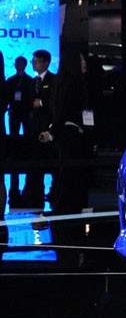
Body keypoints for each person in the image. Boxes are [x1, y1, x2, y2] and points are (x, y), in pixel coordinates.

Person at [39, 47, 90, 217]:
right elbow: (64, 111)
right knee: (70, 174)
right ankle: (66, 210)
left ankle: (63, 209)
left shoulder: (61, 82)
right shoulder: (73, 84)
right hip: (70, 133)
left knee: (65, 173)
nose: (84, 63)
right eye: (81, 60)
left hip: (63, 133)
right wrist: (53, 131)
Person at [23, 49, 56, 208]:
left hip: (47, 125)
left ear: (45, 63)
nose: (33, 64)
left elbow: (54, 101)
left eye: (36, 61)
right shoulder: (31, 81)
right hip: (33, 126)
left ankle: (53, 190)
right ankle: (33, 190)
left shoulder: (53, 80)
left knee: (49, 159)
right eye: (33, 61)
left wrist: (41, 103)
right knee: (34, 159)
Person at [6, 56, 33, 205]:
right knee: (14, 134)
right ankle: (14, 154)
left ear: (25, 64)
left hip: (26, 111)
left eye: (21, 63)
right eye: (17, 63)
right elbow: (7, 96)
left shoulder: (29, 80)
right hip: (14, 111)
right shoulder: (10, 80)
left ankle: (27, 153)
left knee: (28, 133)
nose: (19, 65)